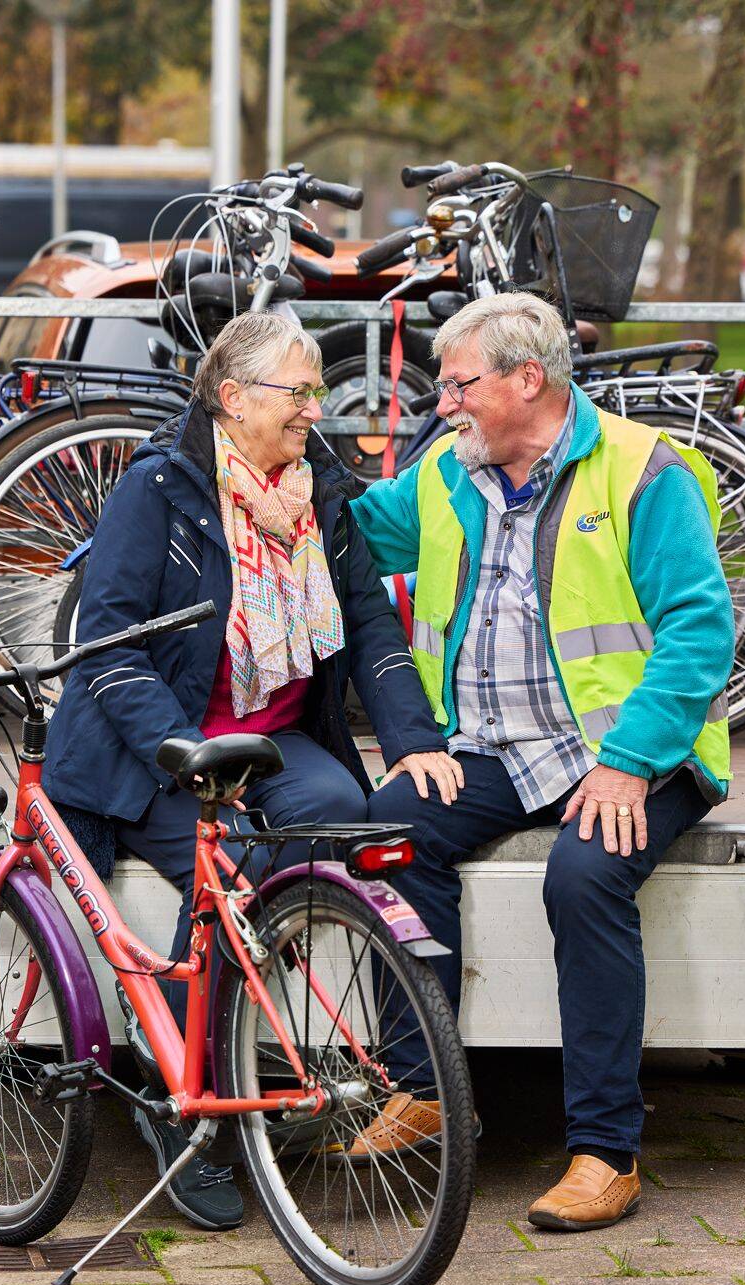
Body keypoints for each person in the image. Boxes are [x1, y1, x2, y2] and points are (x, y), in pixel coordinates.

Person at [45, 310, 463, 1230]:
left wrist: (417, 742)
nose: (317, 409)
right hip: (153, 752)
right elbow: (107, 647)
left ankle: (271, 1040)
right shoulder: (158, 489)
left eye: (318, 390)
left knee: (339, 822)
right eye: (299, 392)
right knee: (229, 865)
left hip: (271, 737)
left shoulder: (325, 493)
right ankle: (177, 1097)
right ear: (232, 400)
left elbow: (371, 626)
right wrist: (187, 757)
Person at [350, 292, 735, 1232]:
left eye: (459, 385)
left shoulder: (643, 473)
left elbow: (699, 630)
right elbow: (356, 534)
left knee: (583, 876)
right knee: (384, 835)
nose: (443, 405)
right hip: (493, 746)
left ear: (531, 380)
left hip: (627, 750)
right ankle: (425, 1087)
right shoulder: (448, 471)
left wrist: (630, 763)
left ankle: (607, 1152)